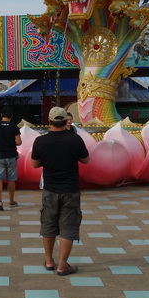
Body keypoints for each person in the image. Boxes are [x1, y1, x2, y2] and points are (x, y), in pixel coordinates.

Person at [30, 106, 89, 276]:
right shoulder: (75, 139)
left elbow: (34, 164)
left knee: (48, 225)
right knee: (68, 227)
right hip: (70, 190)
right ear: (66, 121)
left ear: (49, 121)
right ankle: (63, 266)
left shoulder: (40, 141)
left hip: (50, 190)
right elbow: (86, 160)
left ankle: (49, 261)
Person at [0, 105, 22, 210]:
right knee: (11, 179)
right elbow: (19, 142)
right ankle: (11, 201)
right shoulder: (13, 126)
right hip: (11, 155)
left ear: (1, 115)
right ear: (11, 116)